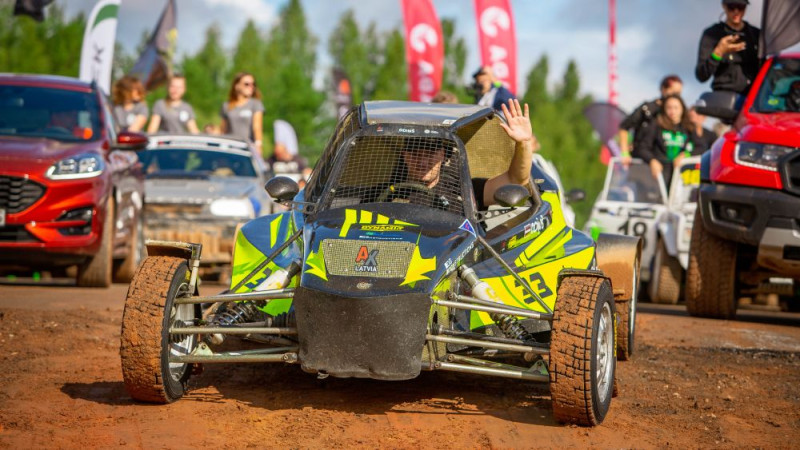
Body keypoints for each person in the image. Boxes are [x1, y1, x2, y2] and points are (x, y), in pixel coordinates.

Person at [394, 99, 537, 211]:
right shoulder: (386, 194)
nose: (423, 161)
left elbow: (516, 180)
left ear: (443, 155)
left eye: (430, 153)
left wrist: (523, 143)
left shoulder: (464, 191)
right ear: (405, 156)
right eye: (415, 154)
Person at [695, 0, 760, 95]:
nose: (736, 11)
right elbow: (701, 75)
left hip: (752, 97)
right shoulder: (711, 34)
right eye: (732, 7)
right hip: (723, 97)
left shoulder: (756, 35)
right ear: (724, 6)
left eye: (741, 7)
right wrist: (719, 52)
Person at [618, 75, 683, 165]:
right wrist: (625, 153)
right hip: (642, 162)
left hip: (666, 164)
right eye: (674, 92)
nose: (676, 96)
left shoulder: (678, 112)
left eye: (679, 93)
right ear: (663, 89)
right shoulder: (647, 109)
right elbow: (624, 127)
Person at [637, 95, 698, 190]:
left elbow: (701, 148)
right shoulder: (656, 124)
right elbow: (642, 147)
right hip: (659, 177)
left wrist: (686, 154)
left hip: (682, 178)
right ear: (664, 109)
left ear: (682, 109)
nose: (672, 111)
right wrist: (652, 160)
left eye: (676, 108)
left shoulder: (689, 127)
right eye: (669, 108)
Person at [220, 72, 265, 149]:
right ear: (237, 86)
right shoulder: (227, 106)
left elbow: (257, 127)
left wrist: (258, 145)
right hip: (230, 147)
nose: (251, 87)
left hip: (247, 148)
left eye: (253, 84)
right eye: (247, 84)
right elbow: (223, 130)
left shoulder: (255, 104)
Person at [268, 120, 311, 186]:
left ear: (285, 148)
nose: (276, 150)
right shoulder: (272, 159)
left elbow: (307, 171)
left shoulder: (297, 160)